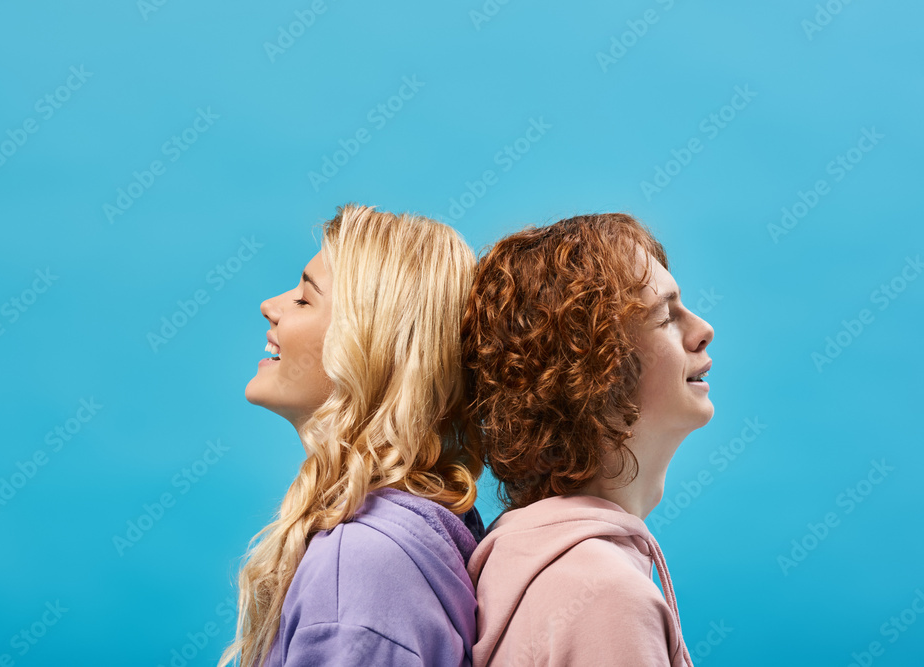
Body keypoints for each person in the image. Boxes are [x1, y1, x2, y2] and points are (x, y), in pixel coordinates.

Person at [219, 204, 485, 667]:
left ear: (368, 350)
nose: (271, 306)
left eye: (305, 299)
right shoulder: (402, 542)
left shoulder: (357, 572)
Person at [461, 213, 714, 666]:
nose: (702, 330)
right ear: (598, 368)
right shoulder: (608, 597)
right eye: (666, 316)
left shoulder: (528, 556)